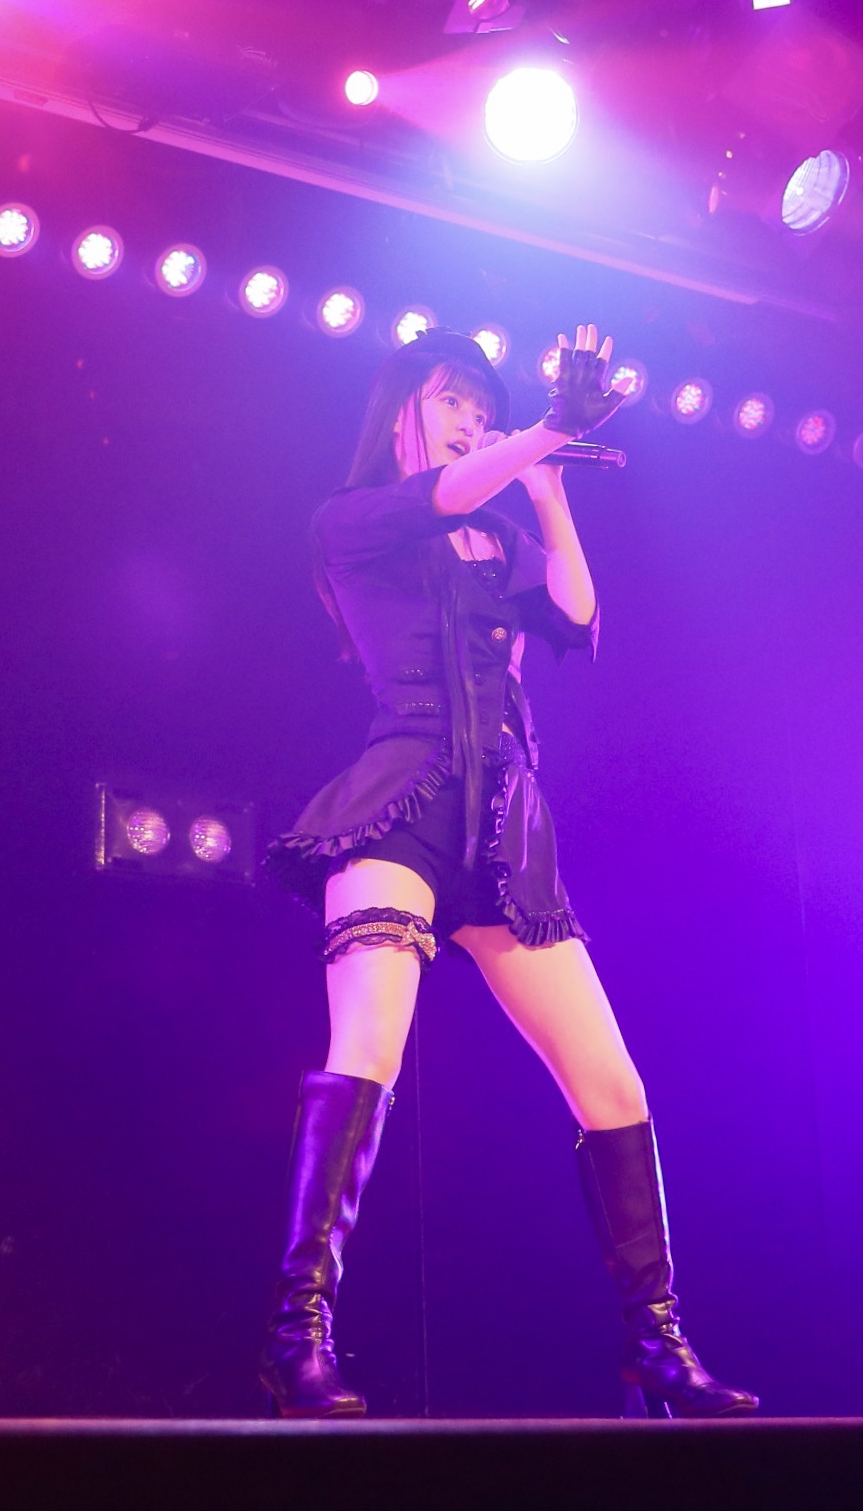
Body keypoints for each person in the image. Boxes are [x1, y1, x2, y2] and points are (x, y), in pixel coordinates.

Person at [256, 326, 757, 1420]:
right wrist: (540, 430)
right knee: (368, 1050)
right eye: (451, 401)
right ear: (403, 409)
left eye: (482, 409)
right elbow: (438, 496)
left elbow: (576, 616)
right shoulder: (354, 517)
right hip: (400, 803)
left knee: (612, 1086)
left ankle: (656, 1344)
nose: (468, 421)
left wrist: (547, 483)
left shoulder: (498, 533)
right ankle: (298, 1335)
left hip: (504, 823)